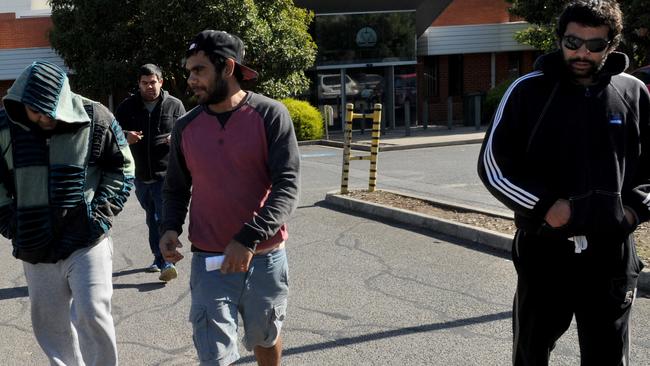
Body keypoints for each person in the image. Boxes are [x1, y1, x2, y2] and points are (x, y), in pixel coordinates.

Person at [477, 1, 650, 365]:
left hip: (612, 256)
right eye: (573, 42)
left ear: (612, 44)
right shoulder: (528, 90)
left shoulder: (633, 92)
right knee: (531, 352)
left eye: (594, 44)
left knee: (609, 357)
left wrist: (633, 212)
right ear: (560, 40)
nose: (581, 52)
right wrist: (545, 206)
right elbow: (494, 166)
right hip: (545, 251)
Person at [160, 30, 300, 365]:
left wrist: (249, 237)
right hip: (209, 261)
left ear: (227, 68)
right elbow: (176, 187)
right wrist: (169, 228)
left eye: (199, 70)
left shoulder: (269, 115)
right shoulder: (186, 127)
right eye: (189, 71)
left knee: (264, 336)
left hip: (264, 257)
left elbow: (287, 186)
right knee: (214, 352)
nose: (191, 79)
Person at [0, 60, 135, 365]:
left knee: (92, 312)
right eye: (35, 111)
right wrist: (11, 224)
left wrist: (99, 215)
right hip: (34, 243)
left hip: (86, 239)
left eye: (50, 110)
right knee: (50, 326)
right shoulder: (5, 126)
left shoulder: (96, 116)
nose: (43, 117)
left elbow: (123, 168)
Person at [116, 63, 186, 281]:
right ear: (139, 84)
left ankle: (167, 262)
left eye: (153, 82)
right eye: (144, 83)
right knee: (151, 217)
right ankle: (158, 258)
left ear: (161, 82)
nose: (149, 86)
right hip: (140, 177)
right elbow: (112, 134)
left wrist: (176, 138)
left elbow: (189, 134)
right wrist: (125, 136)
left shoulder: (175, 106)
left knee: (161, 217)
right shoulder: (127, 107)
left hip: (166, 176)